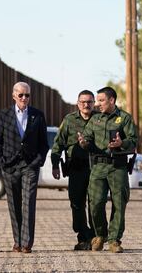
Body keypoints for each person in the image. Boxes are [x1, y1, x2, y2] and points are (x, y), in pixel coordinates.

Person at [77, 86, 138, 253]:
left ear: (112, 100)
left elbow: (133, 141)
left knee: (119, 204)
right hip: (98, 167)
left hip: (118, 166)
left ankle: (114, 240)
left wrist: (121, 144)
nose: (98, 104)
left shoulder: (124, 118)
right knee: (95, 203)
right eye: (98, 101)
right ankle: (100, 235)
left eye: (101, 100)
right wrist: (83, 142)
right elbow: (87, 138)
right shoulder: (95, 120)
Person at [0, 81, 49, 253]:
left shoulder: (37, 115)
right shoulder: (4, 115)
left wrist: (37, 161)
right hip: (9, 166)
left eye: (27, 95)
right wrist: (1, 162)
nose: (24, 98)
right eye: (21, 95)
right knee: (14, 204)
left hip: (30, 166)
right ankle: (16, 240)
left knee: (28, 203)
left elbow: (43, 144)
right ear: (14, 96)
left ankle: (26, 243)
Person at [51, 90, 96, 251]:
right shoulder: (69, 120)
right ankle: (83, 237)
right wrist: (55, 164)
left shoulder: (99, 119)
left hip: (96, 169)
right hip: (76, 168)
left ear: (94, 103)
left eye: (90, 102)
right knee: (77, 204)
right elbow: (58, 144)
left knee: (95, 204)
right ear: (78, 103)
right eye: (83, 102)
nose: (86, 105)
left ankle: (95, 236)